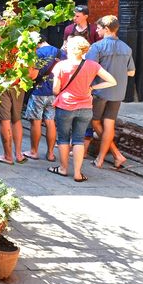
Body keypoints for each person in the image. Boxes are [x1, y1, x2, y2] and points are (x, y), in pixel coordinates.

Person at [49, 36, 117, 182]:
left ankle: (63, 168)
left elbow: (55, 90)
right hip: (85, 106)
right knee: (79, 140)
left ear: (71, 49)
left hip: (65, 106)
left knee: (63, 139)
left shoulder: (61, 66)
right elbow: (112, 81)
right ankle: (78, 174)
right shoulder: (92, 65)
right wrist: (93, 87)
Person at [86, 15, 136, 170]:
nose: (97, 30)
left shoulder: (97, 47)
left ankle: (115, 154)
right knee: (109, 124)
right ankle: (103, 158)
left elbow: (88, 68)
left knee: (94, 121)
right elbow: (131, 73)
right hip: (118, 91)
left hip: (100, 91)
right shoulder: (126, 48)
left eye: (99, 28)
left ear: (106, 29)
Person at [23, 42, 62, 162]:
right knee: (50, 121)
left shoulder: (39, 53)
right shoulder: (59, 52)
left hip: (39, 91)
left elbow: (33, 75)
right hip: (53, 91)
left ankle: (34, 151)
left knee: (36, 121)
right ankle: (50, 154)